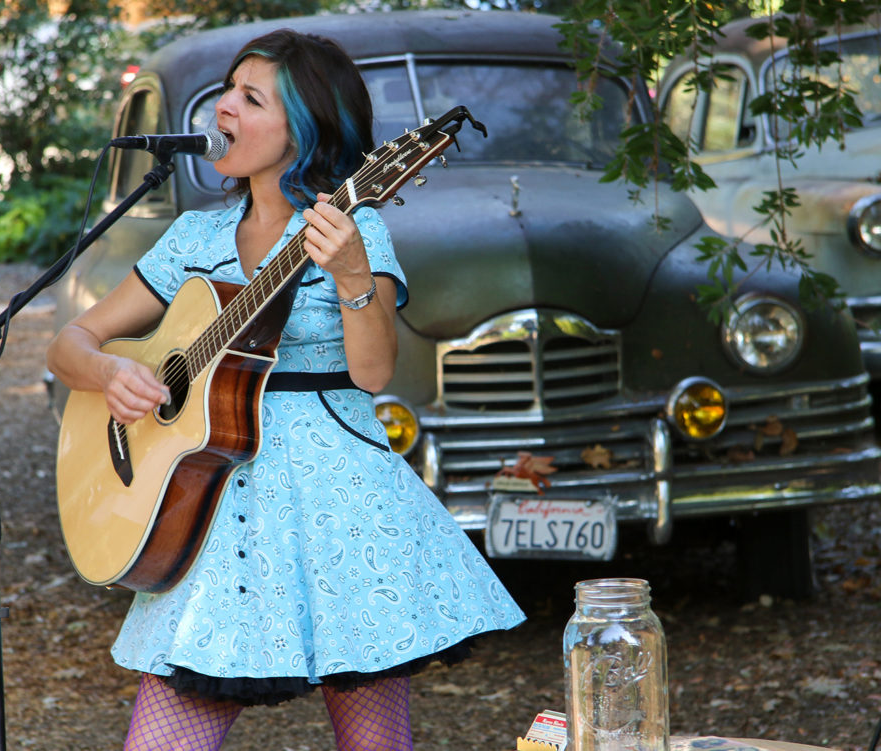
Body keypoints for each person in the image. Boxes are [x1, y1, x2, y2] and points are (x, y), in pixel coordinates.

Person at [46, 28, 526, 751]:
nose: (223, 108)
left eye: (250, 99)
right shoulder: (192, 238)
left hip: (343, 513)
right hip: (212, 512)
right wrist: (113, 373)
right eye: (227, 91)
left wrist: (354, 275)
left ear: (303, 131)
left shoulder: (355, 229)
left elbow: (373, 373)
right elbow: (69, 343)